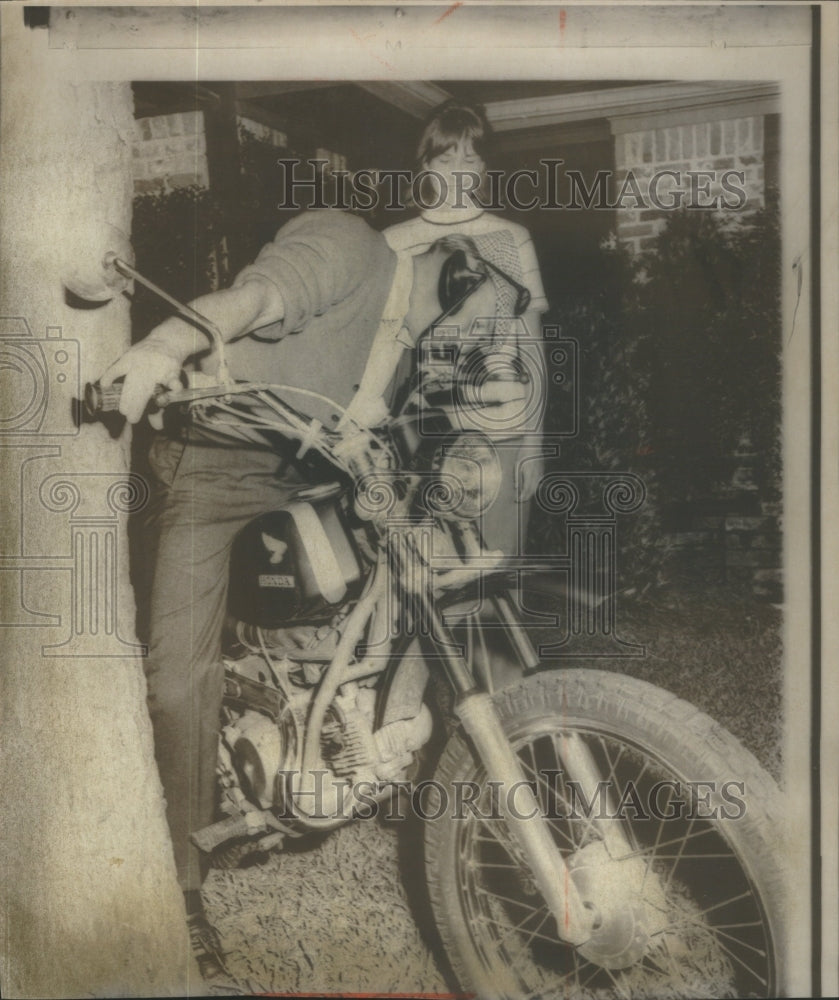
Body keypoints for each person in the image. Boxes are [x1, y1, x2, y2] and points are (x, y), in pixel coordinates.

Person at [97, 209, 509, 981]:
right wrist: (163, 345)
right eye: (477, 305)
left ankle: (370, 760)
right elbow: (249, 300)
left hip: (309, 475)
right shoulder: (347, 249)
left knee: (409, 586)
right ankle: (186, 893)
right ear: (454, 272)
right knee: (180, 679)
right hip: (215, 469)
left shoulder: (412, 344)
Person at [384, 100, 549, 555]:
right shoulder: (393, 243)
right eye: (445, 158)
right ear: (425, 164)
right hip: (423, 436)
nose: (458, 171)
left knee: (495, 571)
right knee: (430, 574)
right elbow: (386, 351)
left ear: (484, 167)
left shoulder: (511, 238)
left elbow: (532, 350)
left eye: (471, 158)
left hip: (502, 431)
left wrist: (534, 445)